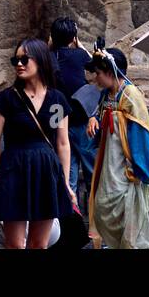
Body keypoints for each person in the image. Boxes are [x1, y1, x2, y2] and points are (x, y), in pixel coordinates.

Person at [0, 38, 75, 249]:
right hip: (13, 170)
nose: (19, 64)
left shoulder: (56, 99)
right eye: (15, 60)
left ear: (41, 60)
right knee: (15, 244)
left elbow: (62, 143)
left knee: (39, 244)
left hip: (46, 171)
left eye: (24, 59)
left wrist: (64, 181)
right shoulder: (7, 98)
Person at [85, 46, 149, 249]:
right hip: (109, 164)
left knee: (129, 222)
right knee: (103, 206)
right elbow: (101, 116)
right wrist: (94, 119)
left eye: (98, 73)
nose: (96, 78)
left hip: (126, 168)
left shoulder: (130, 95)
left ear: (110, 72)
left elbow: (140, 135)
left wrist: (136, 168)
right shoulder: (107, 95)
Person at [50, 17, 91, 196]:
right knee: (91, 169)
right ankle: (94, 219)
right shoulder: (80, 55)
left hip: (57, 117)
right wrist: (78, 43)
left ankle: (70, 215)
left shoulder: (47, 58)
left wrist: (49, 45)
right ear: (73, 37)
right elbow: (93, 61)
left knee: (68, 173)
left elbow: (41, 56)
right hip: (82, 118)